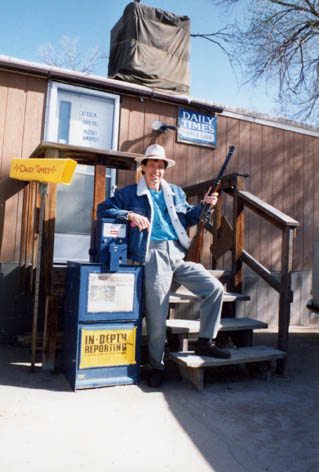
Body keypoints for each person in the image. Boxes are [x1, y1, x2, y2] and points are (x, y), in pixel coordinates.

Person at [97, 144, 231, 387]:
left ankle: (205, 341)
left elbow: (190, 217)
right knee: (157, 315)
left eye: (161, 166)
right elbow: (103, 210)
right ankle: (155, 365)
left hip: (178, 253)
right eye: (152, 165)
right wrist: (129, 215)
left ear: (165, 170)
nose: (157, 170)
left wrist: (205, 206)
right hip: (153, 254)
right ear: (144, 168)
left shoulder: (176, 193)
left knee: (214, 288)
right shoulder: (129, 194)